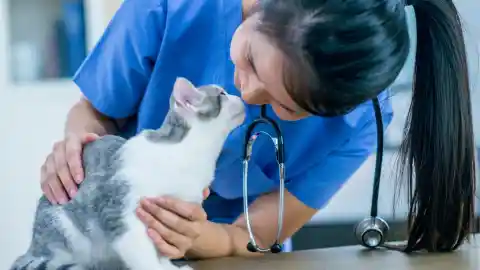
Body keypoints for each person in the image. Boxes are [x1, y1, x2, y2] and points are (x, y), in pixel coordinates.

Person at [40, 0, 476, 260]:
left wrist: (201, 237)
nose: (246, 95)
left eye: (284, 106)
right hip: (112, 241)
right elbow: (95, 113)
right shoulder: (172, 6)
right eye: (249, 58)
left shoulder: (359, 121)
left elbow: (253, 235)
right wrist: (80, 145)